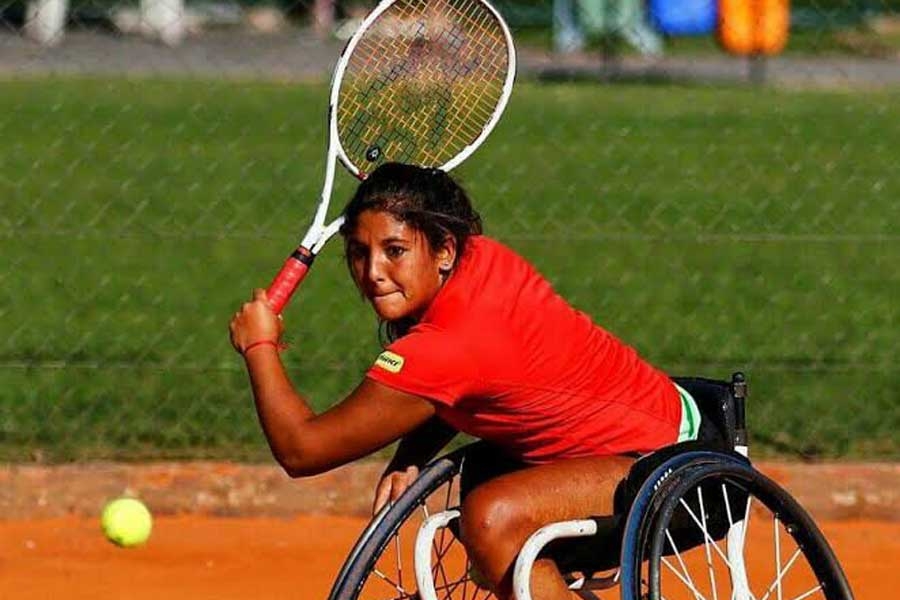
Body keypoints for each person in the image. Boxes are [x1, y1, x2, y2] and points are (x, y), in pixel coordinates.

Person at [229, 162, 703, 600]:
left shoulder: (446, 347)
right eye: (359, 252)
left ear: (444, 250)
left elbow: (303, 451)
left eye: (395, 251)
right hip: (668, 419)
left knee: (492, 519)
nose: (373, 272)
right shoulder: (479, 260)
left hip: (666, 464)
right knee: (489, 513)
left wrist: (259, 346)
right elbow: (462, 388)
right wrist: (411, 453)